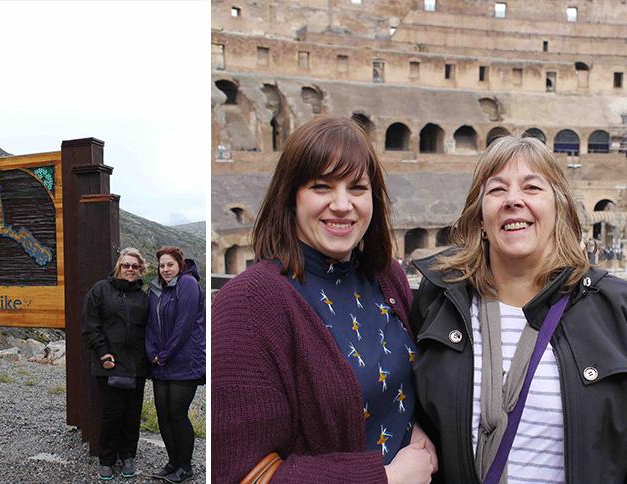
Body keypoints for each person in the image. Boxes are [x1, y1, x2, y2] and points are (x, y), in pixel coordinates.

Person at [212, 117, 437, 483]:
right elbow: (239, 475)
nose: (343, 204)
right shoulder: (247, 305)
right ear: (291, 196)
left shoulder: (386, 276)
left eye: (358, 187)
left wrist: (417, 428)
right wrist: (386, 480)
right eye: (322, 187)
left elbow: (397, 388)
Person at [411, 136, 627, 482]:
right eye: (497, 190)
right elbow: (404, 400)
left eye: (532, 187)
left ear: (559, 210)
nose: (514, 200)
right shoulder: (438, 301)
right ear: (480, 218)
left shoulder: (614, 307)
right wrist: (414, 429)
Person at [82, 247, 150, 481]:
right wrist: (103, 353)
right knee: (112, 413)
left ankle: (128, 456)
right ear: (118, 267)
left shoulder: (143, 297)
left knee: (132, 414)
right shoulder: (100, 290)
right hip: (108, 363)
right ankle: (107, 460)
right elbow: (91, 325)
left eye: (134, 266)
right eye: (126, 265)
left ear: (140, 270)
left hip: (137, 366)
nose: (130, 269)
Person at [146, 246, 206, 483]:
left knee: (177, 413)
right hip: (161, 361)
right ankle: (172, 462)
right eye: (162, 265)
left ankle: (185, 466)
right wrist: (152, 352)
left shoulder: (188, 284)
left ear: (180, 264)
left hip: (183, 360)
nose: (165, 269)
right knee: (163, 414)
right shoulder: (155, 289)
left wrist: (166, 353)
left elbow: (184, 324)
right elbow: (150, 322)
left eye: (170, 264)